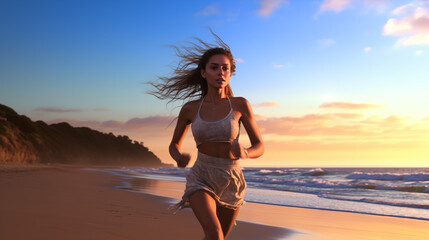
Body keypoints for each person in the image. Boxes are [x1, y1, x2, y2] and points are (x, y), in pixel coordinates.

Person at [150, 32, 264, 240]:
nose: (220, 72)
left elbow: (260, 146)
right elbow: (174, 144)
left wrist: (246, 152)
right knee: (215, 233)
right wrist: (178, 157)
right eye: (214, 67)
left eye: (225, 68)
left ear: (230, 74)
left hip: (231, 180)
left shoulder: (240, 105)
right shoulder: (191, 109)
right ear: (203, 73)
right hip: (201, 176)